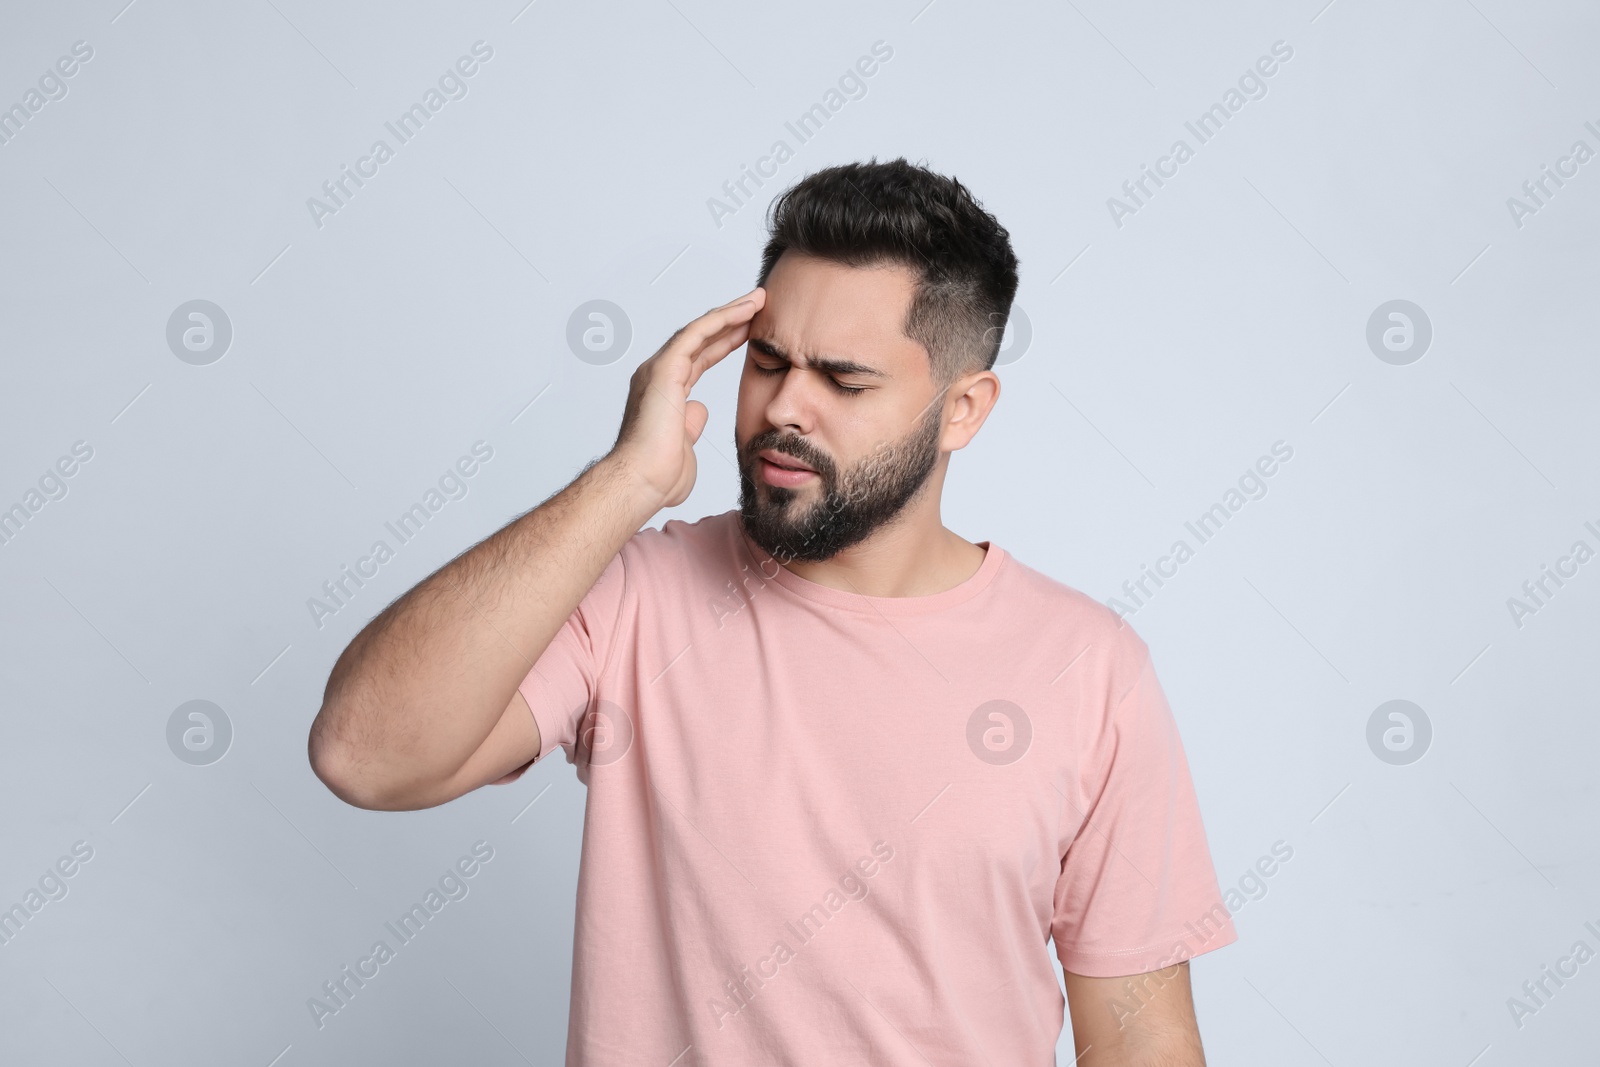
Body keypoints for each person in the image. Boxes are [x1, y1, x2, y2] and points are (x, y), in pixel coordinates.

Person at [308, 157, 1237, 1065]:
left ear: (963, 410)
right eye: (766, 361)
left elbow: (1139, 1037)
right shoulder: (637, 598)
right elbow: (366, 754)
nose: (784, 406)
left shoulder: (1090, 669)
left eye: (844, 379)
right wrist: (625, 481)